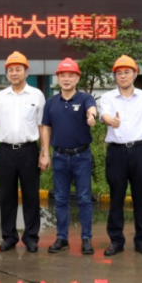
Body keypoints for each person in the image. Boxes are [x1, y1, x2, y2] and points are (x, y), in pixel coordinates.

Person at [0, 51, 44, 253]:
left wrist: (44, 152)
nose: (14, 73)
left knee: (31, 196)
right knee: (7, 196)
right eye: (10, 70)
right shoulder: (1, 97)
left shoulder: (36, 95)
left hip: (29, 150)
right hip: (7, 151)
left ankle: (31, 237)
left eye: (18, 69)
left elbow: (42, 125)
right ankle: (9, 237)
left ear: (26, 72)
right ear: (6, 73)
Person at [98, 55, 142, 256]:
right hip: (116, 152)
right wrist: (111, 121)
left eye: (127, 72)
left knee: (140, 197)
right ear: (115, 76)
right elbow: (105, 116)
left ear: (135, 74)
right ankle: (116, 241)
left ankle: (141, 241)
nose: (123, 76)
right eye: (119, 73)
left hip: (140, 151)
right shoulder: (108, 97)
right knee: (116, 197)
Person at [39, 58, 98, 255]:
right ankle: (62, 238)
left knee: (84, 198)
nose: (66, 79)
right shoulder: (51, 102)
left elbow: (92, 109)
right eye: (63, 75)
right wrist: (45, 153)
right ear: (58, 78)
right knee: (60, 199)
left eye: (70, 75)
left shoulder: (84, 98)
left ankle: (86, 238)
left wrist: (92, 116)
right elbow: (46, 128)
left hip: (81, 156)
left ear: (77, 78)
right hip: (59, 157)